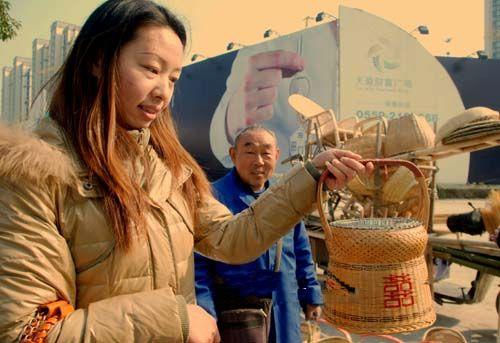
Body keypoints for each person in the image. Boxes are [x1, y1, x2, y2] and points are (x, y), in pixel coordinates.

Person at [0, 1, 371, 342]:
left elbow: (232, 237)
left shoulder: (167, 168)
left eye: (173, 77)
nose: (163, 91)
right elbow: (28, 332)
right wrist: (172, 318)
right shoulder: (33, 175)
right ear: (98, 61)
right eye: (150, 69)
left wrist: (309, 178)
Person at [195, 125, 323, 342]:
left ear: (277, 155)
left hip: (284, 306)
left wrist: (310, 293)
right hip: (236, 312)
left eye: (266, 153)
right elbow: (199, 266)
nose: (259, 161)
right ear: (233, 154)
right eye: (250, 152)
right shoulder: (211, 198)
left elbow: (301, 252)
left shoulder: (286, 197)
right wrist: (206, 314)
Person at [209, 22, 338, 172]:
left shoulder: (367, 30)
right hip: (286, 188)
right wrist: (233, 117)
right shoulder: (273, 35)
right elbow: (220, 146)